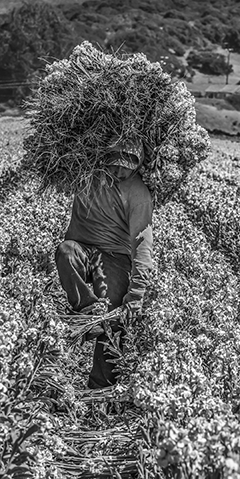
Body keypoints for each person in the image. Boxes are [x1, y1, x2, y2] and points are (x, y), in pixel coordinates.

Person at [55, 136, 154, 389]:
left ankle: (101, 386)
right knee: (66, 252)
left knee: (113, 317)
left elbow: (142, 244)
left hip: (116, 257)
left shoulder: (138, 194)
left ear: (138, 166)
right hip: (83, 250)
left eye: (126, 166)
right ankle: (88, 311)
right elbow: (61, 161)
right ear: (103, 159)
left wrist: (137, 294)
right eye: (113, 163)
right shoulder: (86, 175)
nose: (118, 170)